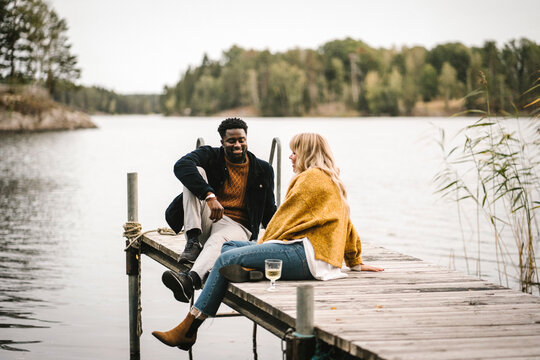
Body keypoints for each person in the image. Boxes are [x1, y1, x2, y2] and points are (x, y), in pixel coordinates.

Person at [152, 133, 384, 351]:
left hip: (305, 254)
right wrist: (354, 261)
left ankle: (190, 326)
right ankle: (251, 269)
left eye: (295, 152)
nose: (291, 156)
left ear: (308, 153)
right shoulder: (331, 180)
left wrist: (262, 245)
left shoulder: (309, 179)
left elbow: (283, 219)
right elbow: (347, 223)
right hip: (312, 255)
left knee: (225, 258)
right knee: (230, 246)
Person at [163, 117, 277, 302]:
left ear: (246, 139)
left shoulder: (263, 169)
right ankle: (192, 242)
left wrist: (283, 235)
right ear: (222, 142)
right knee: (194, 173)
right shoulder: (211, 156)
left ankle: (190, 281)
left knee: (218, 240)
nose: (237, 144)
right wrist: (209, 195)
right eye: (231, 141)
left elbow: (269, 209)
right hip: (207, 220)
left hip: (239, 226)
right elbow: (180, 166)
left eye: (241, 139)